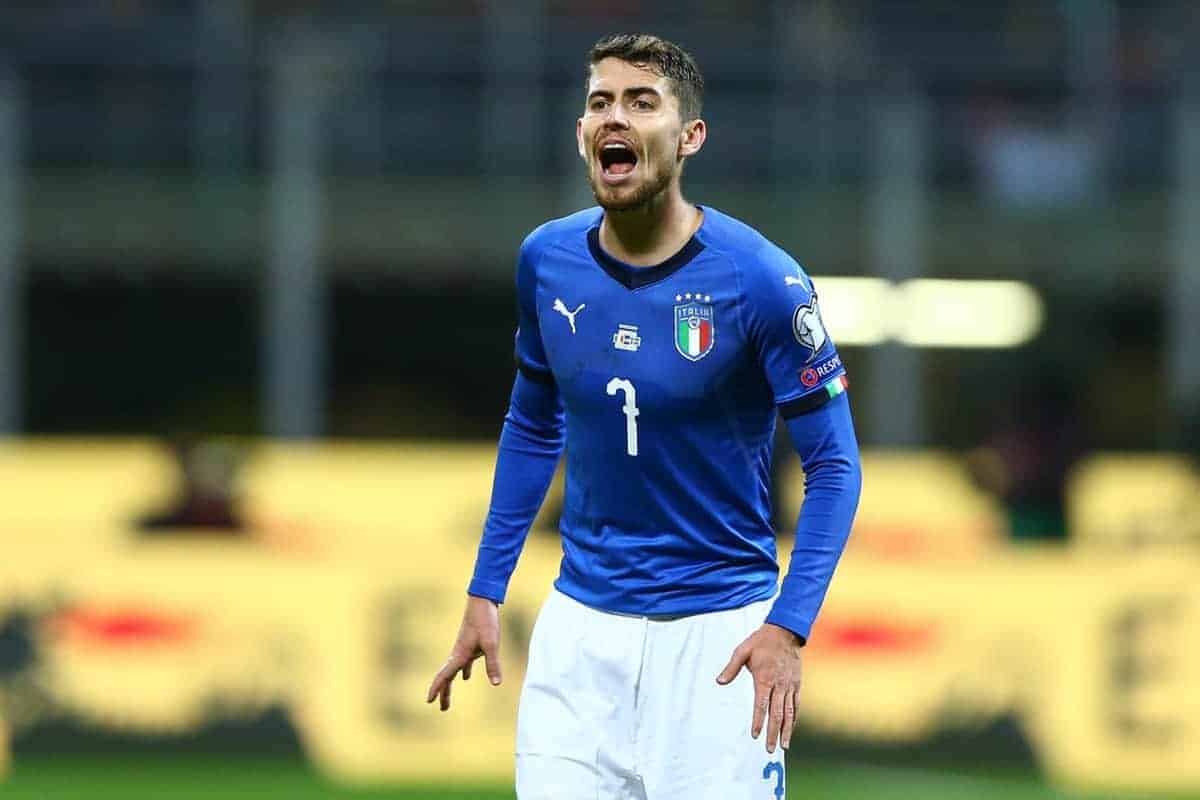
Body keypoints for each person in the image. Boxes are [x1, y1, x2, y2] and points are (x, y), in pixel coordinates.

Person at [427, 33, 862, 800]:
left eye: (640, 102)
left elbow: (834, 466)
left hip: (717, 637)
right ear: (581, 134)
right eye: (600, 103)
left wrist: (788, 627)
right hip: (578, 634)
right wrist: (486, 588)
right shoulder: (546, 260)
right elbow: (533, 425)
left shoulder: (761, 279)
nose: (614, 118)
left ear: (689, 136)